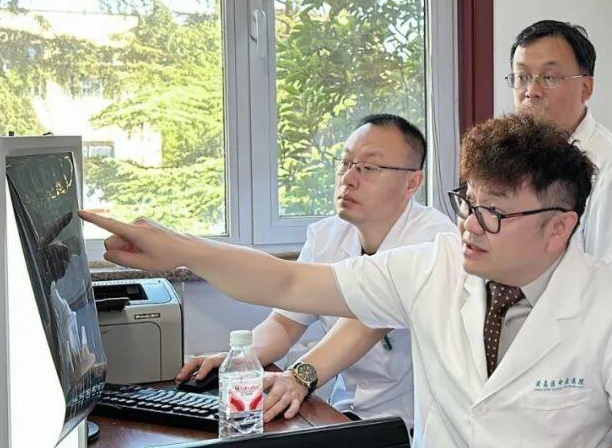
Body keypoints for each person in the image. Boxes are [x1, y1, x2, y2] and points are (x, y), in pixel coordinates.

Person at [81, 113, 612, 448]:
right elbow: (291, 284)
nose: (469, 226)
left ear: (558, 226)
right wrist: (183, 249)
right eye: (468, 203)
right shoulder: (433, 267)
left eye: (493, 214)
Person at [176, 115, 453, 429]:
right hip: (347, 413)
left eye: (369, 168)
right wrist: (239, 359)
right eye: (345, 163)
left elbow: (365, 323)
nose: (349, 178)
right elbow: (284, 323)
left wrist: (299, 376)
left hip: (416, 425)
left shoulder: (432, 240)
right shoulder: (327, 236)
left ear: (412, 183)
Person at [509, 20, 612, 276]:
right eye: (522, 77)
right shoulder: (514, 156)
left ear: (585, 88)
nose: (531, 91)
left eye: (549, 78)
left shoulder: (611, 169)